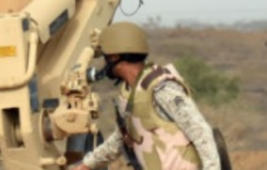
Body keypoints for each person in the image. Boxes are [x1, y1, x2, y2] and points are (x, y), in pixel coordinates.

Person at [75, 21, 221, 170]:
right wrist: (87, 165)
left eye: (106, 58)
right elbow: (121, 138)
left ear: (115, 57)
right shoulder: (129, 93)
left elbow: (200, 131)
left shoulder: (162, 88)